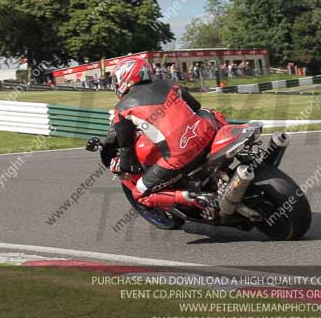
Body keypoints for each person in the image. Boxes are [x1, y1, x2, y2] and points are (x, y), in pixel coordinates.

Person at [90, 56, 226, 212]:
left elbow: (126, 147)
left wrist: (126, 169)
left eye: (116, 79)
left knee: (139, 195)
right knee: (207, 112)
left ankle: (197, 198)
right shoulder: (170, 84)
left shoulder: (122, 108)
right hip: (207, 134)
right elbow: (195, 106)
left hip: (180, 156)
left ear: (125, 76)